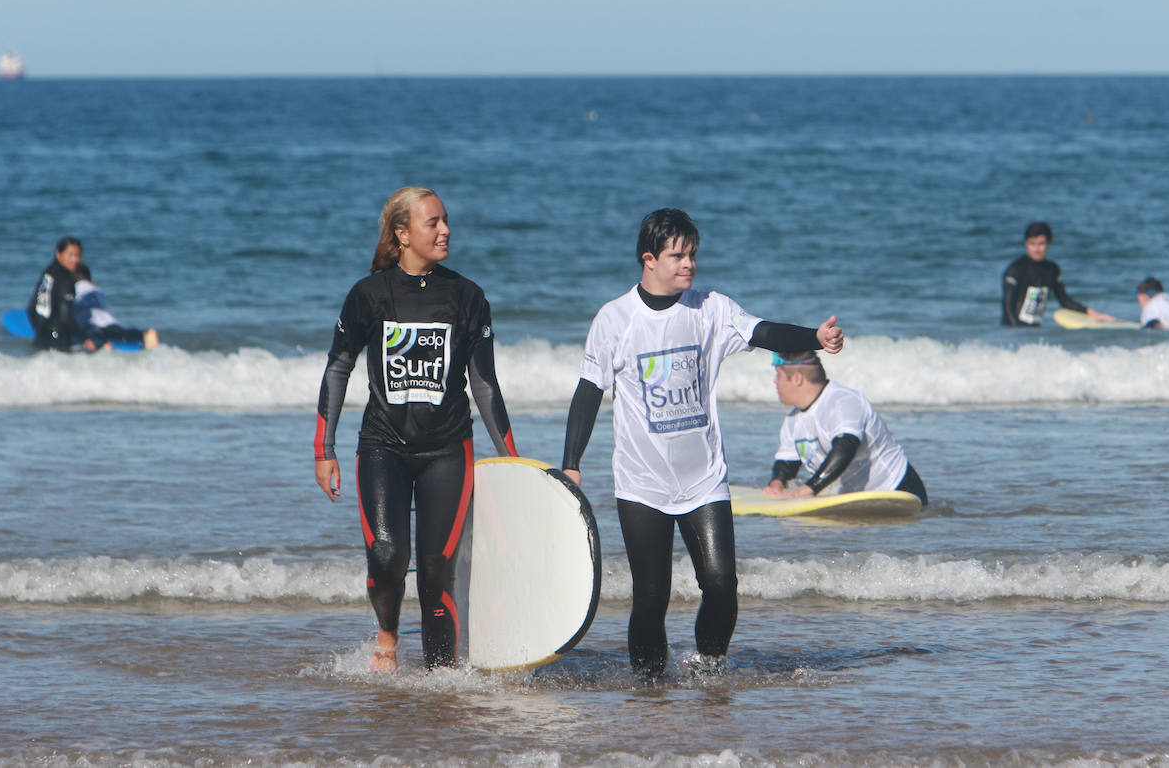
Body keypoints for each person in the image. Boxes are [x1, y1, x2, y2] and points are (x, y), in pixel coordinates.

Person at [560, 208, 844, 680]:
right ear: (649, 259)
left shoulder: (711, 309)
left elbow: (762, 331)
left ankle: (708, 669)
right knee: (652, 594)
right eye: (677, 255)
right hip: (641, 482)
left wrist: (812, 337)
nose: (689, 263)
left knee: (721, 585)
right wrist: (571, 463)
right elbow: (589, 392)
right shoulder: (614, 319)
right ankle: (649, 684)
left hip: (704, 479)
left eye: (692, 254)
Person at [312, 186, 518, 672]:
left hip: (447, 449)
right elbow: (338, 368)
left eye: (446, 220)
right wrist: (325, 449)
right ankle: (387, 638)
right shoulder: (368, 295)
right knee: (385, 556)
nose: (445, 230)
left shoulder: (467, 297)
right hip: (382, 445)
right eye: (433, 223)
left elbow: (485, 385)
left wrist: (513, 459)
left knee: (435, 572)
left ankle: (441, 677)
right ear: (402, 234)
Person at [762, 350, 927, 505]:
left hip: (897, 492)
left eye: (778, 375)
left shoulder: (843, 401)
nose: (775, 381)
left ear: (798, 378)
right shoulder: (793, 419)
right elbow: (787, 463)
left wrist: (806, 490)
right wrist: (777, 484)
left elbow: (846, 447)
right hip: (853, 502)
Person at [1002, 221, 1116, 327]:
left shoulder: (1052, 270)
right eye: (1032, 244)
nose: (1036, 249)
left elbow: (1065, 301)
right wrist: (1016, 332)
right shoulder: (1015, 269)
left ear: (1049, 243)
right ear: (1026, 243)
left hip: (1034, 330)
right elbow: (1008, 308)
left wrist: (1093, 314)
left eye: (1041, 244)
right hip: (1013, 331)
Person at [72, 264, 160, 350]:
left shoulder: (72, 288)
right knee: (119, 332)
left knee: (93, 332)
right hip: (106, 319)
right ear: (91, 280)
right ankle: (144, 335)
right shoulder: (97, 289)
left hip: (87, 319)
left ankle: (102, 344)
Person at [26, 236, 83, 351]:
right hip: (58, 340)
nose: (75, 259)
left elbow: (31, 309)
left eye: (77, 255)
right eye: (70, 255)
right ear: (59, 254)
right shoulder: (66, 279)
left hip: (40, 337)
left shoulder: (48, 273)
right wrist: (85, 338)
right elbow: (65, 316)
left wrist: (39, 330)